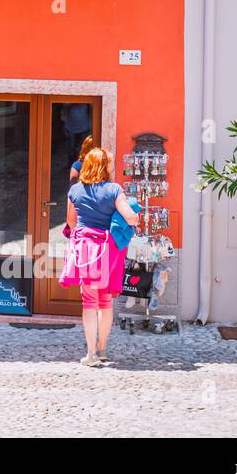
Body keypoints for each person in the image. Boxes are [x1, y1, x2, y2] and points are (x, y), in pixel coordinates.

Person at [61, 148, 140, 367]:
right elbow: (130, 217)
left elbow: (71, 222)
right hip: (108, 250)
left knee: (89, 302)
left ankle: (90, 354)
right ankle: (102, 349)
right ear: (105, 167)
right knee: (105, 301)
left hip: (86, 248)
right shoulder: (114, 189)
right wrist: (132, 215)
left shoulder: (75, 190)